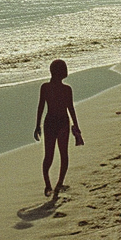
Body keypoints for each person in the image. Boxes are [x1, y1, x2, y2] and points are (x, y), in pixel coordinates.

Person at [34, 59, 83, 197]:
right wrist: (76, 126)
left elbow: (41, 107)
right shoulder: (66, 89)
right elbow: (70, 109)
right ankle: (58, 183)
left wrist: (37, 125)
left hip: (50, 122)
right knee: (63, 154)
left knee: (49, 156)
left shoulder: (45, 87)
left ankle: (49, 185)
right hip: (62, 122)